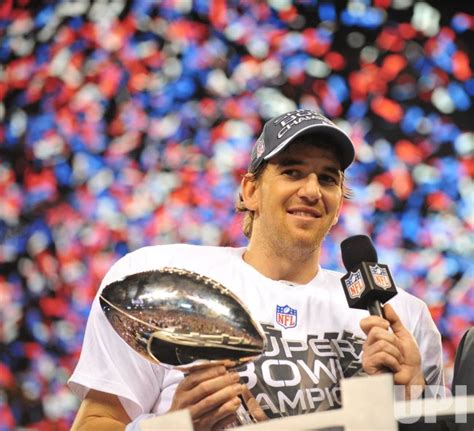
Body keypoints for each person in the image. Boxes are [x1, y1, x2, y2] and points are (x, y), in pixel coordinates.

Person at [69, 109, 444, 430]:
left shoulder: (402, 318)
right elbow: (96, 421)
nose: (312, 191)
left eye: (328, 178)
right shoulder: (163, 281)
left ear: (338, 205)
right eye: (293, 172)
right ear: (250, 191)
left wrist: (412, 401)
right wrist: (177, 424)